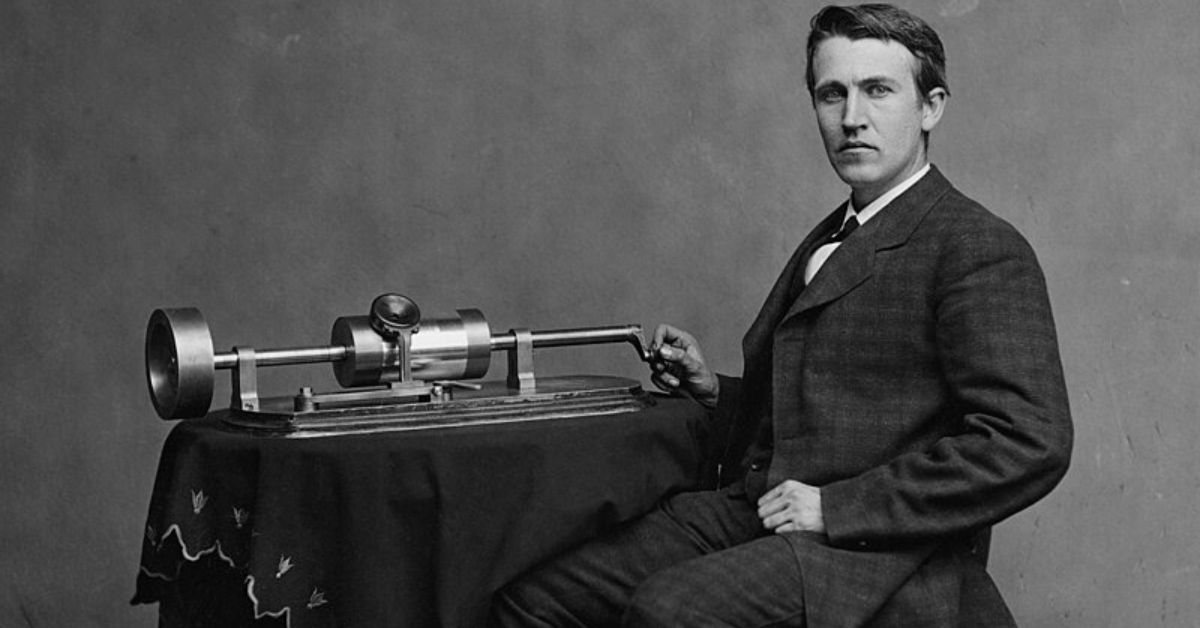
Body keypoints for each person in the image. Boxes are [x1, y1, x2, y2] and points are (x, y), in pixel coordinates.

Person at [491, 4, 1073, 626]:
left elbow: (1028, 441)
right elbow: (835, 408)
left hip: (878, 551)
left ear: (930, 107)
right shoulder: (835, 233)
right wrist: (717, 394)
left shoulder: (975, 245)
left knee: (670, 613)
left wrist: (837, 508)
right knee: (538, 600)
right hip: (761, 508)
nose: (852, 117)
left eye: (878, 90)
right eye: (832, 94)